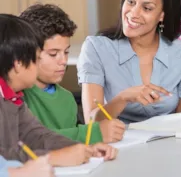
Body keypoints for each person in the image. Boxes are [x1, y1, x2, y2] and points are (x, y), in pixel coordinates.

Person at [77, 0, 181, 124]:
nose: (133, 13)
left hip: (168, 144)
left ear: (162, 15)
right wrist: (123, 98)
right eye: (131, 2)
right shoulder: (96, 48)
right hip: (116, 144)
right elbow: (92, 123)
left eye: (147, 8)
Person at [0, 14, 117, 165]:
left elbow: (37, 135)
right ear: (18, 65)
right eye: (36, 58)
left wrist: (82, 148)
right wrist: (53, 158)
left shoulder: (14, 98)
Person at [20, 4, 125, 144]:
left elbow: (70, 143)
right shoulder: (15, 96)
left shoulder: (67, 99)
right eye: (53, 54)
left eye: (66, 52)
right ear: (27, 52)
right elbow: (27, 140)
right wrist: (91, 134)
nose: (63, 61)